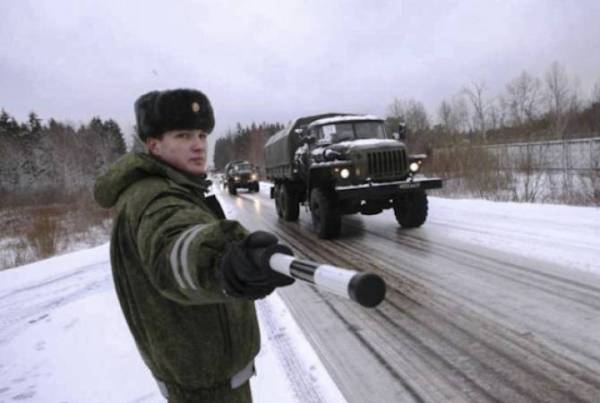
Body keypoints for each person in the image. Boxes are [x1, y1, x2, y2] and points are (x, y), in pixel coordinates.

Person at [94, 88, 294, 403]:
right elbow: (175, 247)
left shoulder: (169, 187)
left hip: (206, 380)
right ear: (154, 145)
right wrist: (224, 262)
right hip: (205, 389)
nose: (199, 144)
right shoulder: (155, 197)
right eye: (184, 135)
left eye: (202, 134)